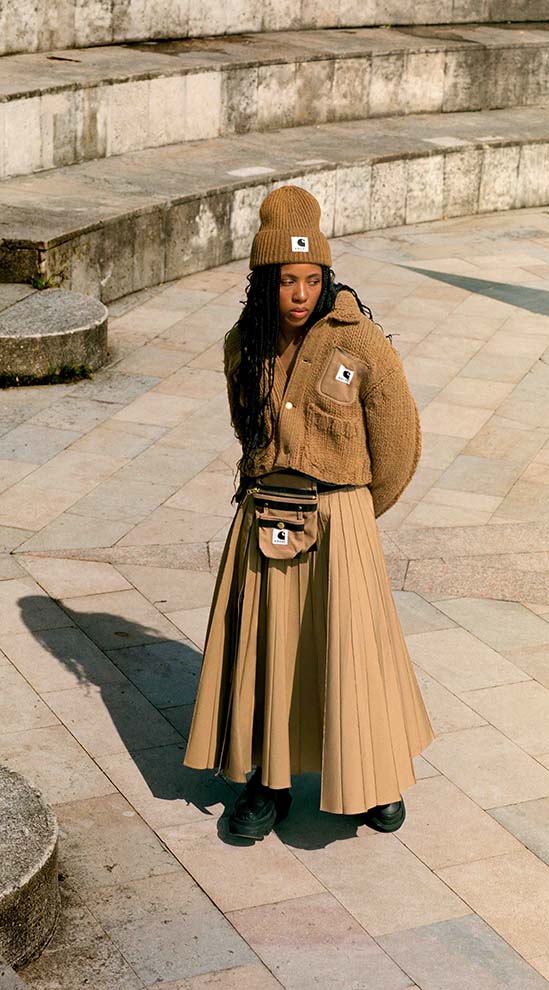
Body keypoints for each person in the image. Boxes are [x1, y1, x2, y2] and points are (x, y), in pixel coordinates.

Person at [184, 185, 434, 839]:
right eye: (286, 280)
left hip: (340, 521)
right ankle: (269, 784)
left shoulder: (363, 343)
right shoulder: (244, 345)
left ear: (326, 277)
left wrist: (352, 516)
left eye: (311, 278)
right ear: (264, 282)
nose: (299, 293)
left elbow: (400, 446)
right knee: (269, 654)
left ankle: (372, 777)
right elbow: (247, 430)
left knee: (352, 654)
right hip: (265, 515)